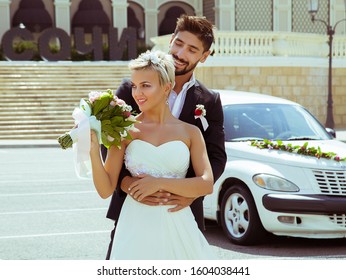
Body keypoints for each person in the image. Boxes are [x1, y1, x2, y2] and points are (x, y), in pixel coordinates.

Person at [102, 15, 227, 259]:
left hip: (182, 212)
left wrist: (189, 192)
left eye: (192, 49)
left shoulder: (210, 101)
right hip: (134, 210)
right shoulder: (131, 89)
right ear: (170, 40)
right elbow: (110, 146)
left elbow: (216, 157)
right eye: (178, 43)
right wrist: (126, 184)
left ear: (204, 56)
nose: (181, 53)